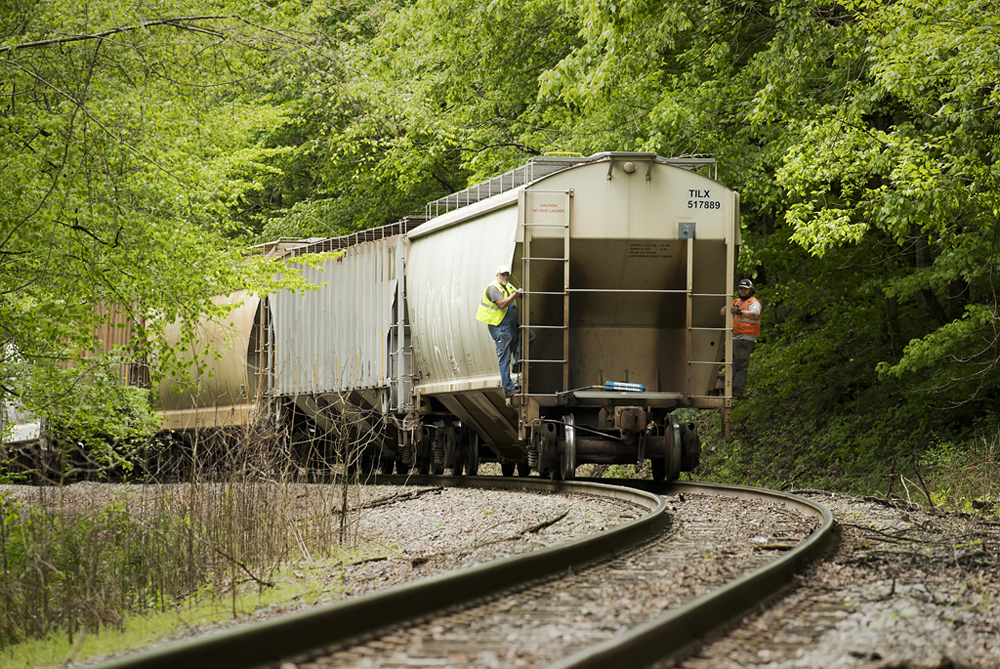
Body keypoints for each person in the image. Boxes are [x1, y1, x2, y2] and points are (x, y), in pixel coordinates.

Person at [476, 265, 523, 396]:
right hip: (500, 327)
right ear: (497, 276)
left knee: (528, 337)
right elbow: (502, 304)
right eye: (503, 275)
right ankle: (508, 389)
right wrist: (515, 295)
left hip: (512, 326)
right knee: (504, 357)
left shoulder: (508, 286)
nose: (506, 277)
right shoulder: (493, 289)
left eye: (507, 275)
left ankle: (517, 363)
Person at [720, 278, 762, 398]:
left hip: (746, 338)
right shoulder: (736, 301)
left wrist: (739, 311)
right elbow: (724, 310)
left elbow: (754, 314)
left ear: (750, 290)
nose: (742, 291)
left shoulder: (754, 302)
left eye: (745, 289)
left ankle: (737, 390)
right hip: (735, 336)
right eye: (740, 289)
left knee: (740, 364)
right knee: (734, 363)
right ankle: (731, 388)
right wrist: (724, 310)